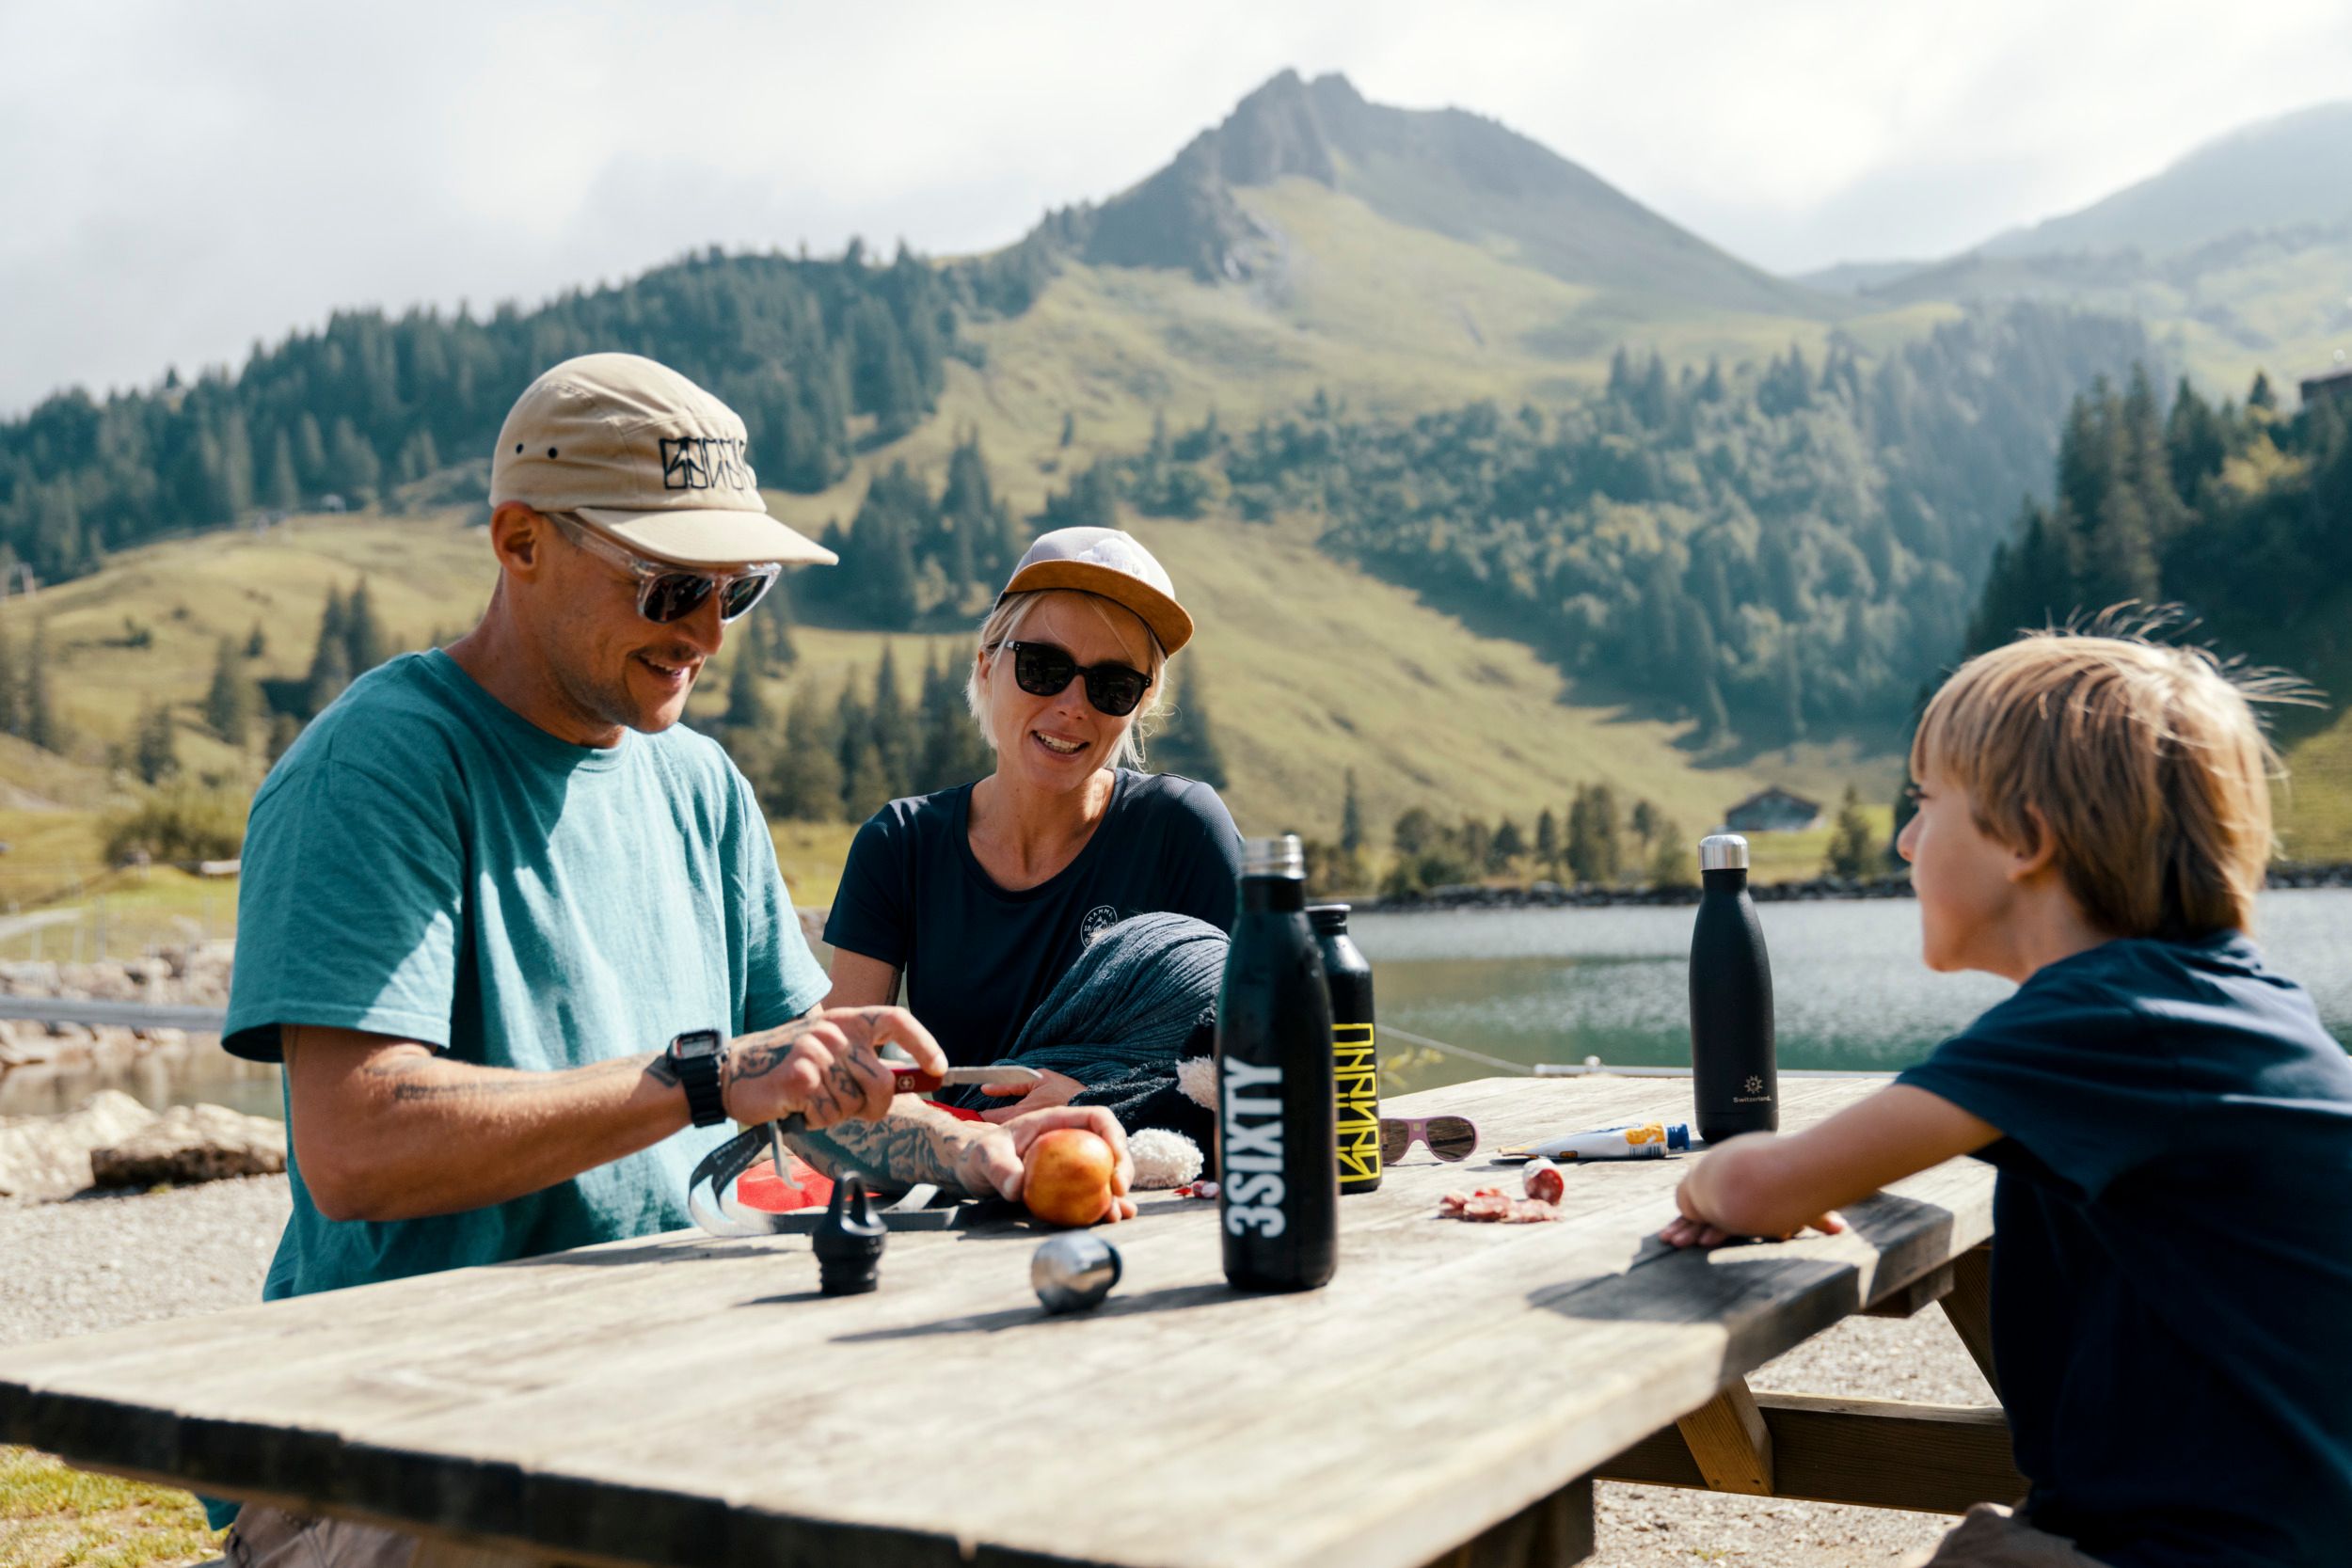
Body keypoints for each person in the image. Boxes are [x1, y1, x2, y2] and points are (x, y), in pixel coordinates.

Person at [214, 354, 1131, 1565]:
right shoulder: (376, 770)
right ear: (519, 540)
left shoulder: (697, 783)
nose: (705, 630)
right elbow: (357, 1144)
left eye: (735, 589)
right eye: (668, 585)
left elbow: (807, 1099)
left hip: (647, 1390)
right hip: (389, 1442)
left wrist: (972, 1147)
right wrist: (701, 1077)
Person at [1660, 630, 2352, 1568]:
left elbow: (1752, 1188)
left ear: (2026, 838)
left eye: (1924, 802)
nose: (1904, 838)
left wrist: (1715, 1178)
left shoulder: (2107, 1016)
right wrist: (1841, 1173)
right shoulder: (2213, 996)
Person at [821, 527, 1244, 1129]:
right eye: (1044, 667)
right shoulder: (900, 845)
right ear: (988, 666)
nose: (1074, 704)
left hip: (1143, 1200)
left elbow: (1280, 1055)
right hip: (959, 1195)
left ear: (1139, 707)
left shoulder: (1183, 829)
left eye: (1113, 685)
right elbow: (839, 1082)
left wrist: (1100, 1104)